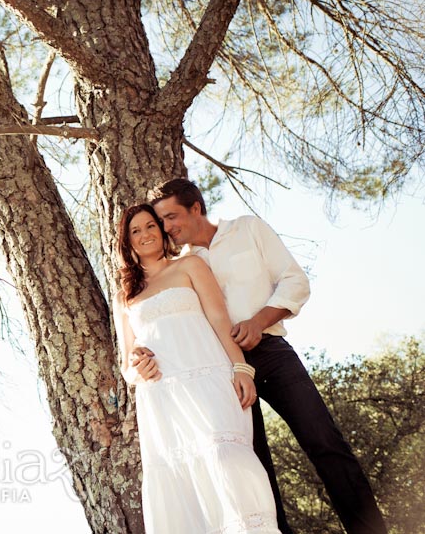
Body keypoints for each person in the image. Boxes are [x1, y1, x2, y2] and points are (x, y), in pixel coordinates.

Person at [147, 177, 387, 534]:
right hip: (223, 371)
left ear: (196, 207)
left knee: (324, 441)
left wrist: (259, 322)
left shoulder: (248, 229)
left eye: (171, 217)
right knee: (253, 467)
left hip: (272, 353)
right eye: (161, 220)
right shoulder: (181, 265)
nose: (167, 228)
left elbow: (294, 281)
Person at [112, 203, 279, 534]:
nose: (145, 234)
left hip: (209, 377)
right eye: (136, 231)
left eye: (150, 226)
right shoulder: (125, 296)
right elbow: (127, 362)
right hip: (162, 396)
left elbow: (219, 319)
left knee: (226, 456)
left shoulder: (190, 265)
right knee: (182, 480)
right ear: (127, 242)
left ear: (161, 231)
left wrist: (241, 369)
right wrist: (137, 368)